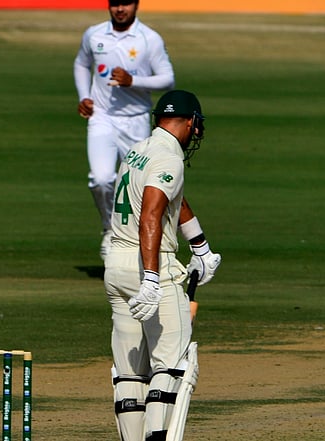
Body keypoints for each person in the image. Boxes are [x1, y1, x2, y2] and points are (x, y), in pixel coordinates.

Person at [103, 90, 221, 441]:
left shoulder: (139, 151)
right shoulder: (169, 158)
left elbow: (173, 198)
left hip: (116, 266)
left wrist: (200, 246)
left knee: (129, 374)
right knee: (171, 365)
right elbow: (152, 214)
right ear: (189, 122)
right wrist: (152, 278)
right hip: (149, 265)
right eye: (195, 126)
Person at [73, 0, 175, 260]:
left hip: (136, 120)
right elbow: (82, 64)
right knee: (102, 179)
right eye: (115, 4)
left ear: (136, 5)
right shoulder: (94, 34)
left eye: (126, 4)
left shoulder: (148, 39)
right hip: (102, 118)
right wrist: (84, 96)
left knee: (138, 186)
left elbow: (167, 78)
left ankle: (138, 244)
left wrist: (133, 81)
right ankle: (110, 228)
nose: (120, 9)